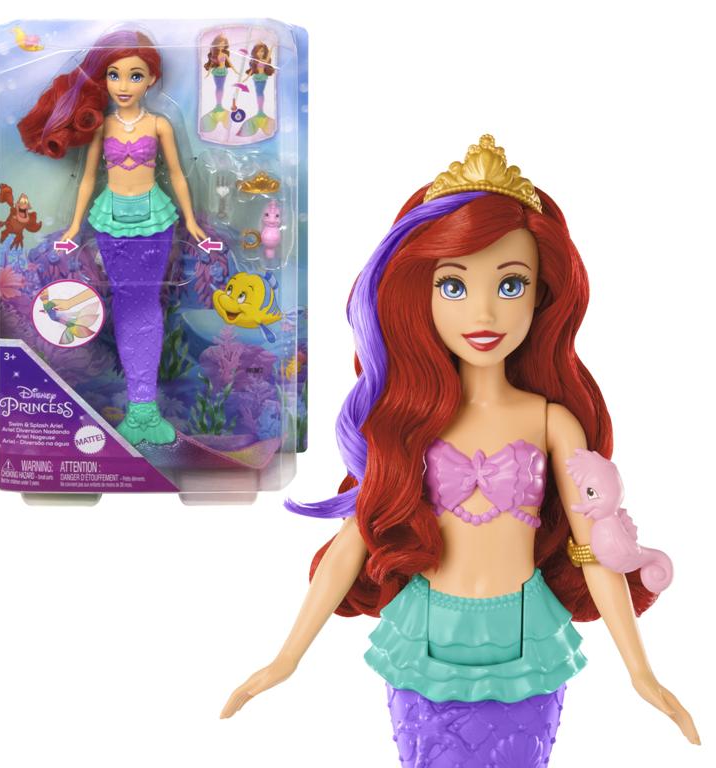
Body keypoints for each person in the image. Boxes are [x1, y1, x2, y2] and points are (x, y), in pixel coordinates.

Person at [221, 135, 699, 766]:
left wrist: (642, 672)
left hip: (527, 639)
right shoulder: (407, 422)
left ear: (542, 295)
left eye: (511, 284)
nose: (484, 311)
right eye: (453, 285)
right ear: (417, 293)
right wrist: (285, 658)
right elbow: (353, 541)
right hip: (424, 639)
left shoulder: (551, 421)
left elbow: (593, 549)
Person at [19, 30, 206, 445]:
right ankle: (139, 408)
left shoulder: (158, 124)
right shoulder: (102, 126)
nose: (123, 85)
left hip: (155, 220)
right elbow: (88, 178)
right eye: (114, 75)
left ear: (151, 79)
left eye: (135, 76)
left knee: (146, 302)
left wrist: (192, 222)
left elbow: (177, 175)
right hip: (111, 220)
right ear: (102, 79)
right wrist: (73, 227)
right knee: (125, 301)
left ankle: (145, 409)